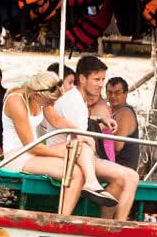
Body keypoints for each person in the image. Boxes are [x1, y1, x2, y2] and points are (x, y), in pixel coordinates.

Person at [2, 70, 118, 214]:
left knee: (80, 144)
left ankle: (91, 183)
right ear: (37, 95)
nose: (51, 105)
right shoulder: (16, 102)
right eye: (49, 102)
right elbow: (31, 147)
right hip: (17, 155)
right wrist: (61, 153)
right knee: (75, 172)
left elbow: (56, 120)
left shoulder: (40, 94)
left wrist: (80, 132)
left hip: (34, 151)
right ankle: (62, 218)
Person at [42, 56, 140, 221]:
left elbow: (77, 126)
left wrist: (97, 119)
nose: (101, 84)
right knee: (131, 176)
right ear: (82, 78)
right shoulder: (74, 102)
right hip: (71, 154)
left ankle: (105, 223)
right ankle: (120, 226)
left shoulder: (76, 99)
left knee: (119, 180)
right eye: (96, 79)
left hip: (76, 153)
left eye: (102, 79)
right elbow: (83, 140)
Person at [105, 76, 140, 169]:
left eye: (117, 93)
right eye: (109, 92)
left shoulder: (125, 113)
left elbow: (117, 146)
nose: (113, 96)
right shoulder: (110, 111)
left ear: (126, 93)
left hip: (122, 168)